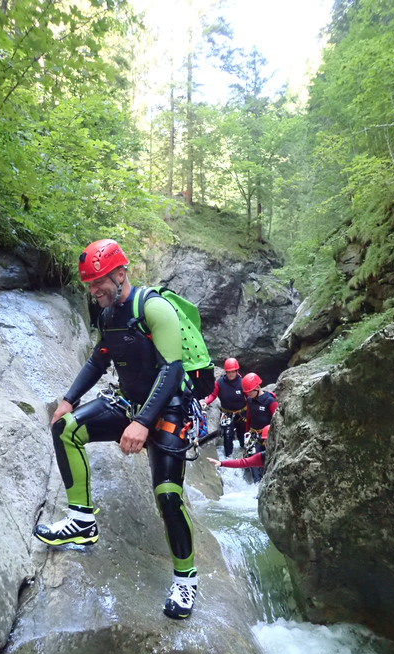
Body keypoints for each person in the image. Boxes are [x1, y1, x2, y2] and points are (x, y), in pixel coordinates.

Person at [34, 239, 197, 620]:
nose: (94, 291)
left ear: (120, 274)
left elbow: (173, 370)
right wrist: (68, 399)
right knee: (66, 429)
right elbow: (98, 359)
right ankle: (81, 521)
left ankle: (186, 579)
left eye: (99, 282)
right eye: (89, 284)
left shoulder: (153, 308)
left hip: (169, 409)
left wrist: (142, 423)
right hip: (130, 404)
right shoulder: (108, 316)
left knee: (168, 496)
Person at [200, 358, 246, 456]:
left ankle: (243, 452)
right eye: (229, 372)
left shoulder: (242, 382)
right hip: (227, 413)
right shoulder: (220, 383)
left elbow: (249, 396)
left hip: (242, 413)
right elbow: (213, 395)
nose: (231, 374)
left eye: (233, 372)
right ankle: (228, 456)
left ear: (237, 371)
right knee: (227, 435)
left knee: (242, 434)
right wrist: (206, 402)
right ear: (226, 372)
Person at [241, 373, 278, 483]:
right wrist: (246, 433)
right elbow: (249, 417)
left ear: (257, 387)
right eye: (247, 392)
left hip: (267, 436)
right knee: (253, 460)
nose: (249, 393)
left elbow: (277, 420)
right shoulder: (249, 401)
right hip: (254, 435)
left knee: (269, 459)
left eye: (250, 391)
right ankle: (257, 485)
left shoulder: (269, 401)